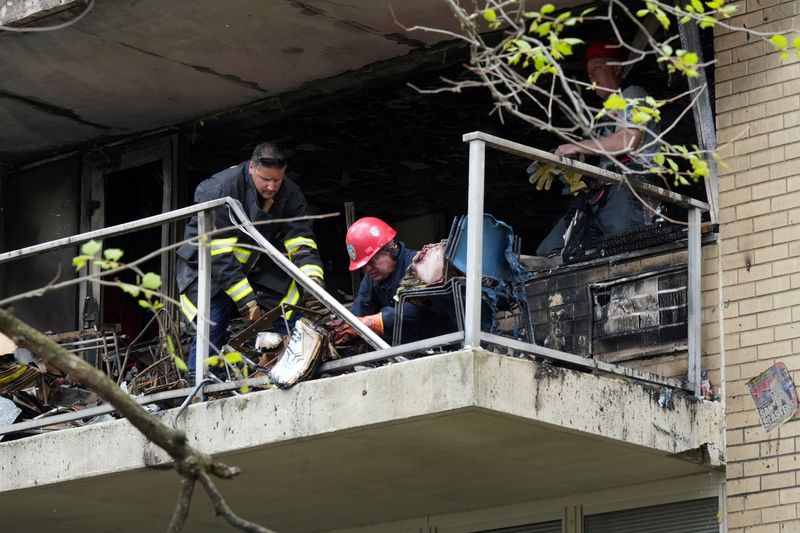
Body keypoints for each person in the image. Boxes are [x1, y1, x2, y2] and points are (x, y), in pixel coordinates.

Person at [176, 142, 325, 371]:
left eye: (277, 180)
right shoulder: (221, 190)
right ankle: (200, 384)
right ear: (252, 169)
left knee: (286, 308)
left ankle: (289, 366)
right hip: (207, 268)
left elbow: (301, 241)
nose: (272, 186)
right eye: (266, 179)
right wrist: (247, 302)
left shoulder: (290, 193)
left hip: (252, 266)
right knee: (213, 320)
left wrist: (313, 283)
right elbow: (220, 257)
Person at [536, 39, 662, 258]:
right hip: (600, 196)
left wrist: (575, 147)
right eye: (588, 71)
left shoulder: (632, 94)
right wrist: (567, 168)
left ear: (616, 68)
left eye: (597, 68)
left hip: (629, 189)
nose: (591, 76)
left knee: (623, 250)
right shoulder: (603, 116)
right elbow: (598, 152)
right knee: (551, 251)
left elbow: (628, 140)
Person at [331, 217, 446, 345]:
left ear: (392, 248)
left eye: (372, 261)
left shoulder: (422, 266)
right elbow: (362, 305)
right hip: (403, 348)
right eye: (364, 265)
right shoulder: (372, 277)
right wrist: (345, 326)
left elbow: (415, 311)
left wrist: (369, 323)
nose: (368, 269)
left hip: (438, 344)